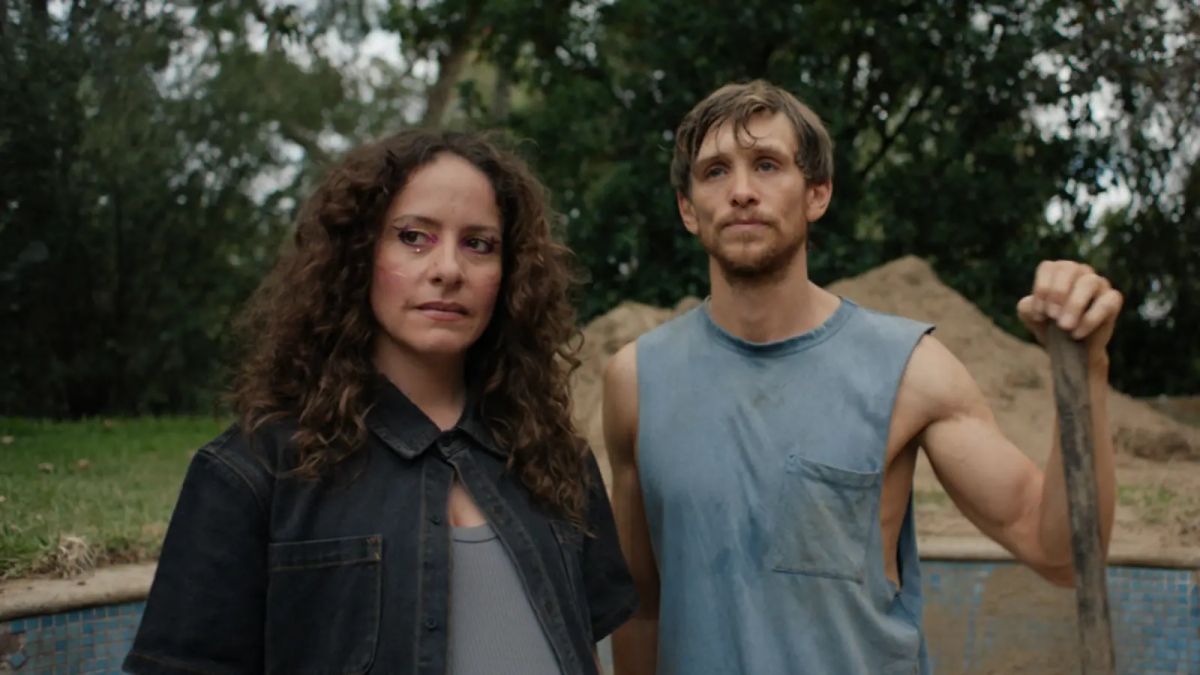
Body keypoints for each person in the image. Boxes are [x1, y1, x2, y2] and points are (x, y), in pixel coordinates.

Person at [603, 80, 1123, 674]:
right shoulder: (636, 383)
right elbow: (641, 608)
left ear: (817, 194)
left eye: (768, 165)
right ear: (689, 209)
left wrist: (1087, 374)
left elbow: (1061, 554)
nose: (742, 191)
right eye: (715, 171)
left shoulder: (911, 370)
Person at [124, 129, 637, 675]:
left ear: (508, 275)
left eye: (478, 243)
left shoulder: (555, 458)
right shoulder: (254, 472)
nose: (448, 269)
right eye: (414, 237)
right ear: (359, 255)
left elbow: (590, 652)